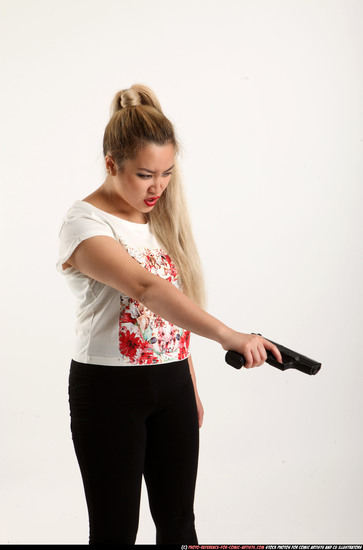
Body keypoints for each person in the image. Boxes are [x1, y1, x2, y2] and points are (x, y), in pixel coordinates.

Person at [56, 83, 282, 546]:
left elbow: (169, 312)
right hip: (108, 392)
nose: (157, 186)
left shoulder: (158, 221)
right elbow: (145, 288)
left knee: (180, 527)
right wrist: (229, 335)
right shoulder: (83, 223)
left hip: (172, 385)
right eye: (144, 174)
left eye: (167, 173)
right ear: (111, 164)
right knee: (115, 531)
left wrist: (189, 383)